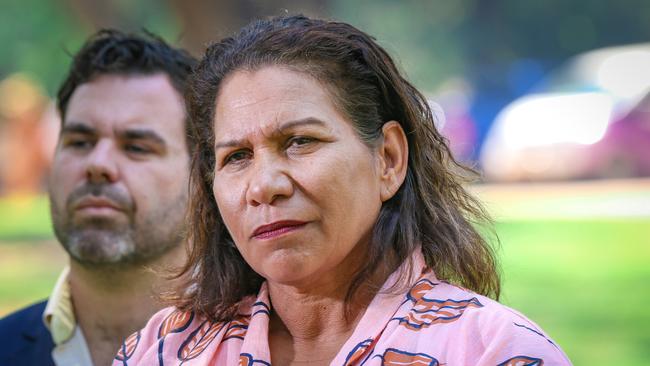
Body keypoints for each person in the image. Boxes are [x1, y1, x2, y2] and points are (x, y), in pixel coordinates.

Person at [115, 15, 571, 365]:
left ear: (388, 159)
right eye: (236, 156)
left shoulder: (493, 351)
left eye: (300, 142)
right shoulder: (165, 349)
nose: (264, 186)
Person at [0, 30, 197, 366]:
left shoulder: (268, 351)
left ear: (202, 177)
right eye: (80, 142)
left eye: (136, 147)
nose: (97, 164)